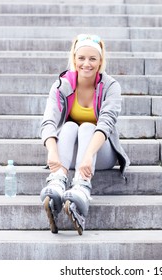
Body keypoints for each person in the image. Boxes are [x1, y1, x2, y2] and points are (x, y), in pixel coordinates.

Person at [39, 34, 130, 235]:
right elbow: (49, 122)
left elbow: (106, 124)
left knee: (88, 127)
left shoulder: (111, 86)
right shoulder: (61, 85)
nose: (86, 64)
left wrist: (88, 157)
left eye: (92, 59)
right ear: (74, 59)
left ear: (100, 62)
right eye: (81, 58)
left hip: (99, 156)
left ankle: (81, 186)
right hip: (68, 156)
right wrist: (52, 152)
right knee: (70, 127)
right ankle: (57, 180)